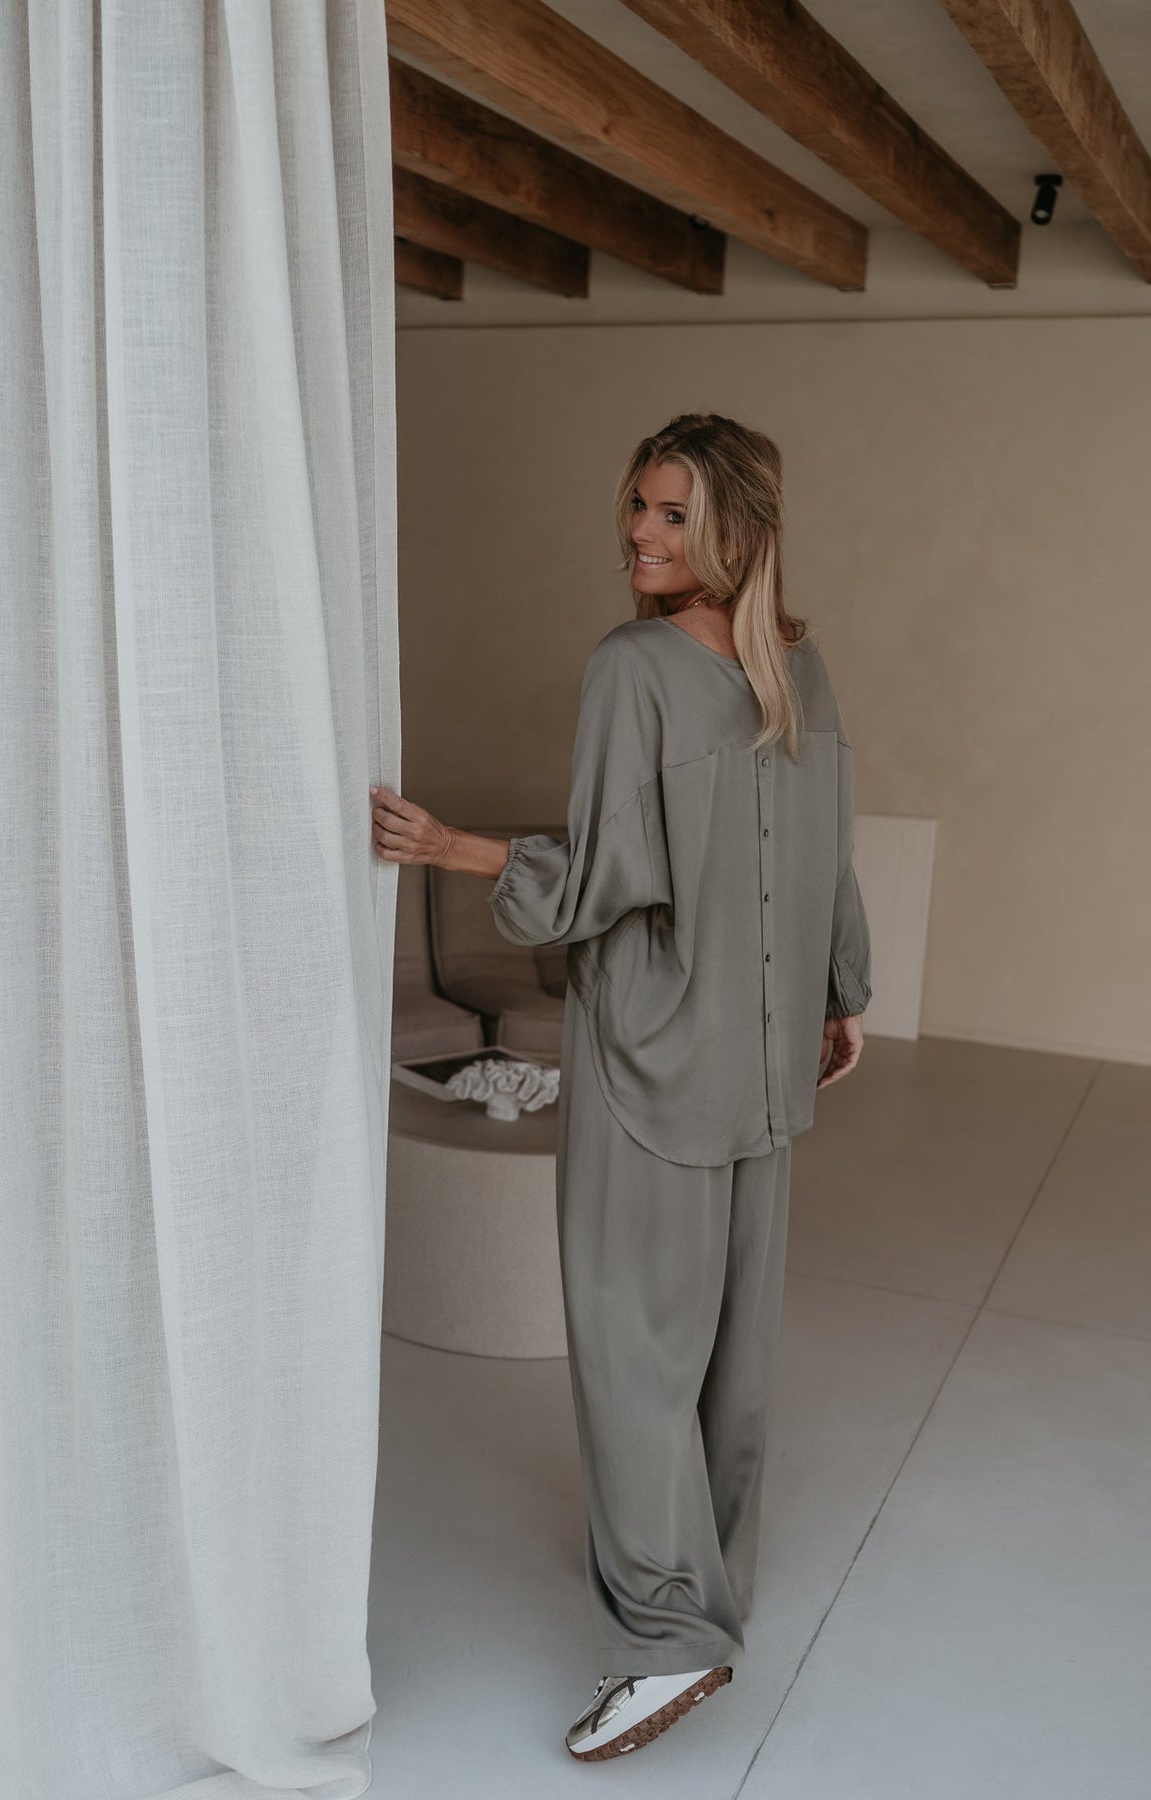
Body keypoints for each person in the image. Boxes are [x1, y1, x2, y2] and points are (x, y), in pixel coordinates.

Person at [369, 412, 871, 1761]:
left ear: (734, 528)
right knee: (729, 1346)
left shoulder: (634, 668)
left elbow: (602, 876)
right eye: (637, 508)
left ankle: (666, 1637)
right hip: (762, 1055)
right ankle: (712, 1588)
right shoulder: (801, 667)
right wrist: (838, 993)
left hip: (654, 1051)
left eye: (668, 514)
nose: (637, 536)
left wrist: (454, 848)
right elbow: (827, 849)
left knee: (631, 1347)